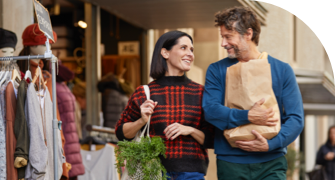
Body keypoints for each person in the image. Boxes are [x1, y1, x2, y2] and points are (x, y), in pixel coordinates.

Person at [202, 6, 304, 180]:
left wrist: (271, 144)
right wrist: (248, 116)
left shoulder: (282, 70)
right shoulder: (216, 70)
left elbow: (296, 118)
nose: (223, 43)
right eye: (222, 37)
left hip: (271, 162)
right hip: (231, 162)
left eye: (228, 36)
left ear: (248, 34)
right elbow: (210, 110)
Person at [115, 30, 214, 180]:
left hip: (191, 173)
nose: (190, 54)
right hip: (152, 172)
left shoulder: (201, 93)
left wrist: (189, 130)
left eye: (191, 49)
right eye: (183, 48)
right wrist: (141, 121)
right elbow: (121, 134)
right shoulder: (144, 93)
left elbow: (212, 139)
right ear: (165, 53)